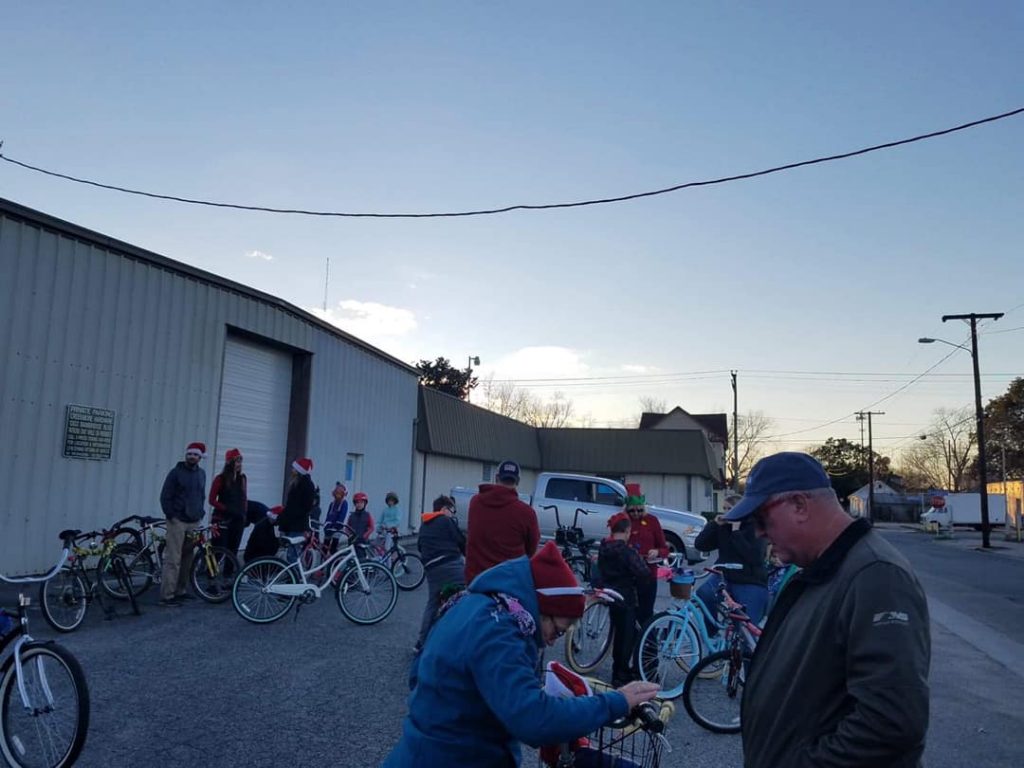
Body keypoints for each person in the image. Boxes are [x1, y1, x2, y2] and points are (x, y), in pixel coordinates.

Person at [726, 452, 930, 768]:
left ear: (799, 505)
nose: (758, 533)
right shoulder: (822, 569)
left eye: (761, 519)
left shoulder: (876, 575)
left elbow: (891, 723)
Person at [383, 540, 660, 767]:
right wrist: (617, 701)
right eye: (559, 630)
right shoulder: (500, 632)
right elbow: (533, 719)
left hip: (419, 751)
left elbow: (416, 675)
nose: (551, 641)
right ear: (541, 606)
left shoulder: (478, 604)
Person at [694, 492, 770, 625]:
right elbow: (701, 545)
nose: (726, 512)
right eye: (724, 509)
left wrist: (736, 532)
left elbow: (755, 557)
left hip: (749, 579)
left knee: (746, 624)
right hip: (724, 576)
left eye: (730, 509)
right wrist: (714, 525)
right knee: (704, 593)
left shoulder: (754, 527)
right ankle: (712, 629)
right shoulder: (723, 527)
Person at [598, 511, 654, 686]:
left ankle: (618, 670)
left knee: (618, 634)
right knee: (626, 636)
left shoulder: (604, 547)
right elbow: (643, 572)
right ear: (627, 531)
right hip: (626, 596)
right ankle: (621, 674)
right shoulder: (626, 552)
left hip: (610, 594)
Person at [464, 460, 540, 584]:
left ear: (496, 478)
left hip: (476, 581)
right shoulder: (526, 513)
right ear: (518, 481)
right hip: (509, 583)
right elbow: (531, 550)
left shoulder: (475, 502)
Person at [414, 494, 466, 653]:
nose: (453, 514)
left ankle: (421, 643)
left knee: (433, 602)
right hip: (450, 563)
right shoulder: (445, 521)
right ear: (444, 509)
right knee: (468, 594)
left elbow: (420, 546)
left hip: (431, 568)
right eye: (452, 510)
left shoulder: (425, 524)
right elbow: (462, 542)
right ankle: (460, 642)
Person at [158, 441, 207, 606]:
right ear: (186, 455)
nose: (192, 457)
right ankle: (167, 595)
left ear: (200, 458)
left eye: (195, 455)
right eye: (190, 454)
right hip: (177, 521)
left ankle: (181, 590)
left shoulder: (202, 474)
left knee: (188, 558)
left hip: (194, 521)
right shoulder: (175, 473)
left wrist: (201, 512)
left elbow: (201, 495)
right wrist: (171, 515)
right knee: (173, 558)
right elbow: (165, 495)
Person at [624, 483, 667, 625]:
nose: (636, 514)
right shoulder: (623, 522)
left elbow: (664, 549)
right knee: (628, 614)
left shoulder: (652, 521)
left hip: (648, 573)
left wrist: (657, 552)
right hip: (628, 574)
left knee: (646, 613)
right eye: (632, 511)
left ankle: (649, 645)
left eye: (639, 510)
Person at [208, 448, 247, 573]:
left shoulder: (242, 478)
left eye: (240, 462)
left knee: (233, 550)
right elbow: (212, 500)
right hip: (222, 519)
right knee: (218, 550)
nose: (239, 465)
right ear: (229, 463)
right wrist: (226, 508)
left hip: (238, 519)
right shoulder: (220, 479)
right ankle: (211, 579)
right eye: (236, 462)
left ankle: (228, 578)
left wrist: (243, 514)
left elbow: (244, 497)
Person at [273, 457, 316, 563]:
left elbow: (303, 507)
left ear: (299, 470)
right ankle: (292, 577)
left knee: (293, 555)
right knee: (291, 554)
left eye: (294, 468)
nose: (292, 470)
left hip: (298, 525)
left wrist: (286, 516)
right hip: (292, 523)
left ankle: (293, 577)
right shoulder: (298, 483)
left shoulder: (306, 485)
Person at [323, 483, 349, 552]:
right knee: (325, 546)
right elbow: (328, 515)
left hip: (337, 528)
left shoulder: (344, 503)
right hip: (329, 528)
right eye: (336, 493)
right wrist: (326, 525)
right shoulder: (332, 504)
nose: (338, 495)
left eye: (339, 494)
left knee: (333, 547)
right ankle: (324, 559)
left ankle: (334, 561)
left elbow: (342, 516)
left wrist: (336, 526)